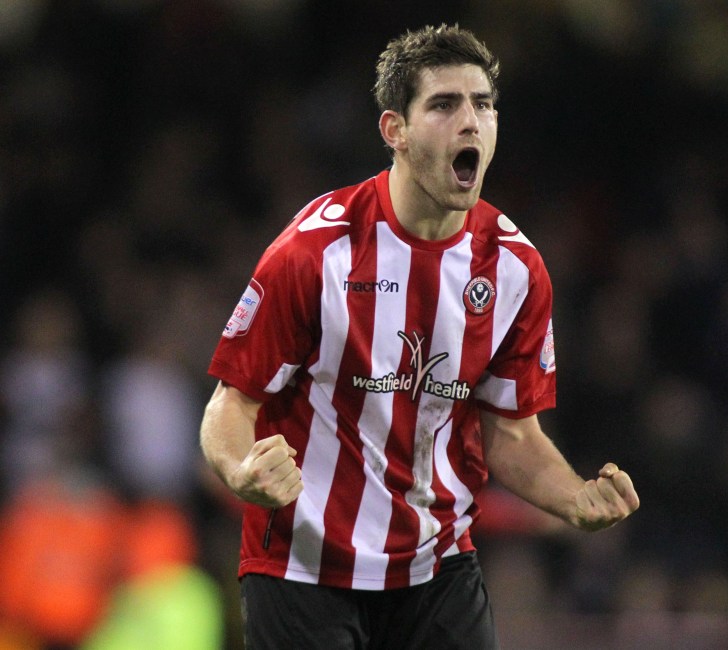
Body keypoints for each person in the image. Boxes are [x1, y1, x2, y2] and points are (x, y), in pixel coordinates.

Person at [199, 23, 639, 649]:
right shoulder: (314, 253)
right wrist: (242, 469)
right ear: (394, 132)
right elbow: (229, 405)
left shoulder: (515, 269)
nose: (471, 122)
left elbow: (510, 432)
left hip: (435, 567)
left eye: (483, 105)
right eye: (444, 104)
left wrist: (574, 497)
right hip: (303, 567)